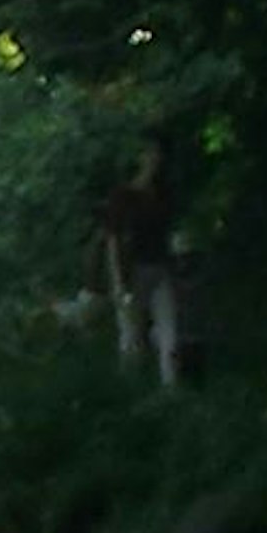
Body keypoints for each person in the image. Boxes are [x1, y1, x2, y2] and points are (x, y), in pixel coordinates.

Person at [91, 138, 193, 388]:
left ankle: (171, 392)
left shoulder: (164, 195)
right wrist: (117, 282)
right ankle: (129, 394)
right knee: (131, 338)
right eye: (149, 154)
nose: (154, 160)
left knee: (170, 336)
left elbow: (171, 234)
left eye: (157, 154)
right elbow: (113, 239)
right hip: (131, 271)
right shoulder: (123, 196)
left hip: (159, 269)